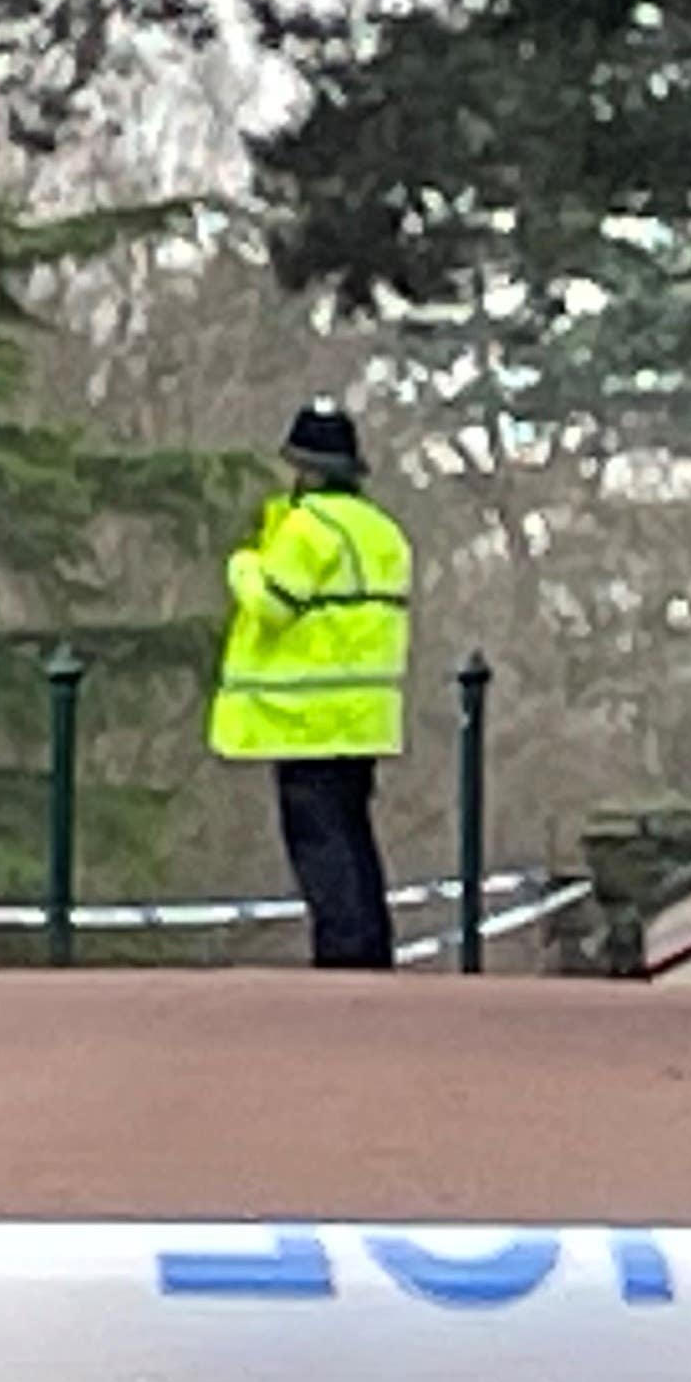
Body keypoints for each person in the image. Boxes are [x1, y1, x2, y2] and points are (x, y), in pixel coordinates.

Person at [214, 400, 411, 969]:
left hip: (305, 714)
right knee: (354, 834)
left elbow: (271, 605)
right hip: (363, 712)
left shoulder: (308, 528)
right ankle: (369, 945)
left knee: (319, 841)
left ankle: (343, 952)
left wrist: (243, 564)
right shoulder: (381, 531)